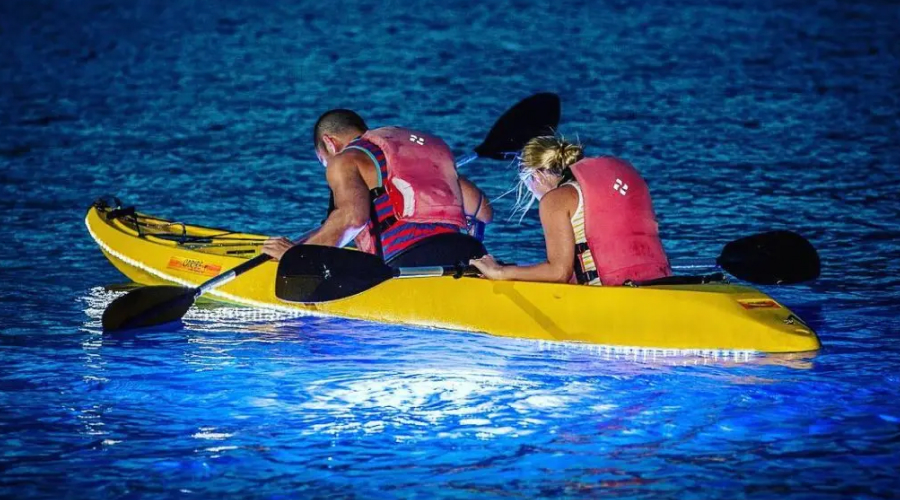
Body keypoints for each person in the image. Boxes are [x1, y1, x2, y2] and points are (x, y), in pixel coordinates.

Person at [262, 109, 491, 267]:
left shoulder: (345, 158)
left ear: (330, 143)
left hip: (409, 262)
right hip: (465, 253)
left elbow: (352, 219)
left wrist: (296, 257)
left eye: (324, 160)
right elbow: (484, 212)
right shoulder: (410, 155)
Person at [470, 136, 671, 286]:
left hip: (610, 294)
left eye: (526, 182)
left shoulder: (555, 200)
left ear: (537, 175)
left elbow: (559, 272)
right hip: (659, 282)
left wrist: (500, 272)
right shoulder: (601, 187)